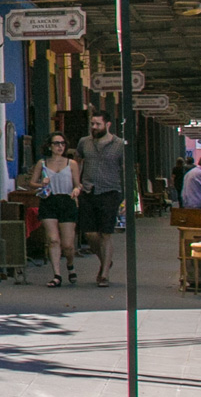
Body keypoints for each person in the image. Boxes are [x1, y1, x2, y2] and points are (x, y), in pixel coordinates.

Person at [22, 133, 80, 288]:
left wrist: (76, 190)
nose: (60, 146)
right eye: (56, 143)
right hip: (49, 201)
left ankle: (70, 264)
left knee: (68, 244)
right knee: (53, 240)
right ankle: (57, 275)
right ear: (49, 146)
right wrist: (41, 184)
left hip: (67, 201)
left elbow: (77, 184)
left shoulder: (71, 163)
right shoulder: (42, 163)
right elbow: (32, 183)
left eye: (62, 143)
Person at [77, 111, 124, 288]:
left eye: (98, 124)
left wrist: (127, 198)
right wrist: (77, 183)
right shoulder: (84, 142)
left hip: (110, 191)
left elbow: (126, 170)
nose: (94, 127)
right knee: (89, 233)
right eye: (92, 124)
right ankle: (106, 260)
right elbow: (78, 161)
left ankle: (104, 273)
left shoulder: (119, 145)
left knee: (106, 233)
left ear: (108, 125)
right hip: (88, 190)